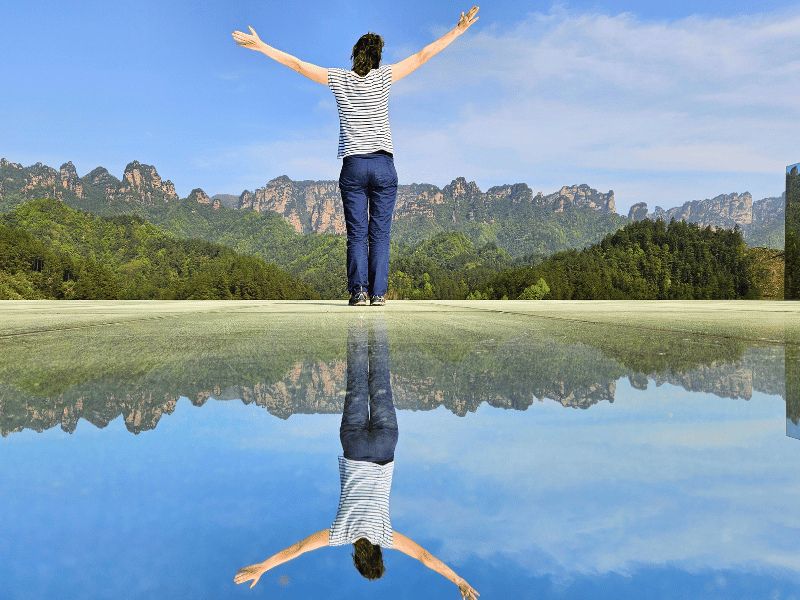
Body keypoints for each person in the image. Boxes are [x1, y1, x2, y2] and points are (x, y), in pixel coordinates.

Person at [232, 7, 480, 307]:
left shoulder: (338, 79)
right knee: (380, 235)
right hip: (383, 165)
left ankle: (359, 292)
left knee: (357, 235)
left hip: (353, 166)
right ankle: (378, 294)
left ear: (355, 55)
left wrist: (260, 46)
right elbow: (422, 56)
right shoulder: (384, 77)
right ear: (378, 57)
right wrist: (458, 30)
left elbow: (297, 65)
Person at [233, 318, 479, 599]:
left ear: (379, 555)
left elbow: (423, 556)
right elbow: (298, 549)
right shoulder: (340, 534)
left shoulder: (385, 536)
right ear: (355, 557)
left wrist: (458, 581)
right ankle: (359, 324)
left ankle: (378, 322)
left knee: (381, 380)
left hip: (385, 447)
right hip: (354, 446)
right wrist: (263, 567)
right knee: (358, 380)